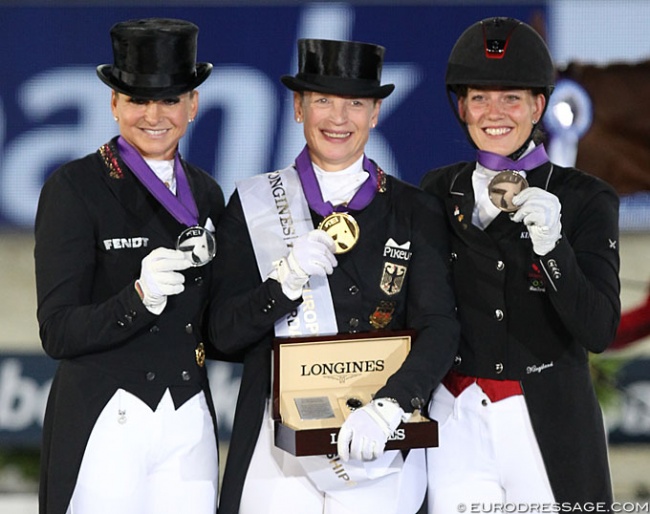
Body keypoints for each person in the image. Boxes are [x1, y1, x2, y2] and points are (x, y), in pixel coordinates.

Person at [210, 38, 459, 514]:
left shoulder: (415, 210)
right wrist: (282, 285)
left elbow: (440, 326)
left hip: (381, 434)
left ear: (376, 113)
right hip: (276, 440)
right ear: (299, 108)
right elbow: (222, 332)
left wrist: (392, 406)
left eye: (355, 104)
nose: (338, 118)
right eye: (323, 100)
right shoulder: (255, 204)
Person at [420, 17, 621, 512]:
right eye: (480, 97)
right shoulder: (433, 192)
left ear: (538, 106)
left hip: (547, 421)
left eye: (511, 97)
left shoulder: (586, 199)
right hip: (456, 423)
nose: (495, 113)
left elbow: (598, 329)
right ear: (462, 106)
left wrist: (554, 251)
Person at [34, 18, 224, 514]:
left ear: (193, 105)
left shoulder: (207, 192)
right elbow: (57, 332)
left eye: (170, 99)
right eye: (138, 100)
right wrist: (137, 300)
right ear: (114, 104)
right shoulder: (74, 188)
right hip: (108, 417)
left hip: (187, 419)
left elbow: (217, 322)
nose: (153, 115)